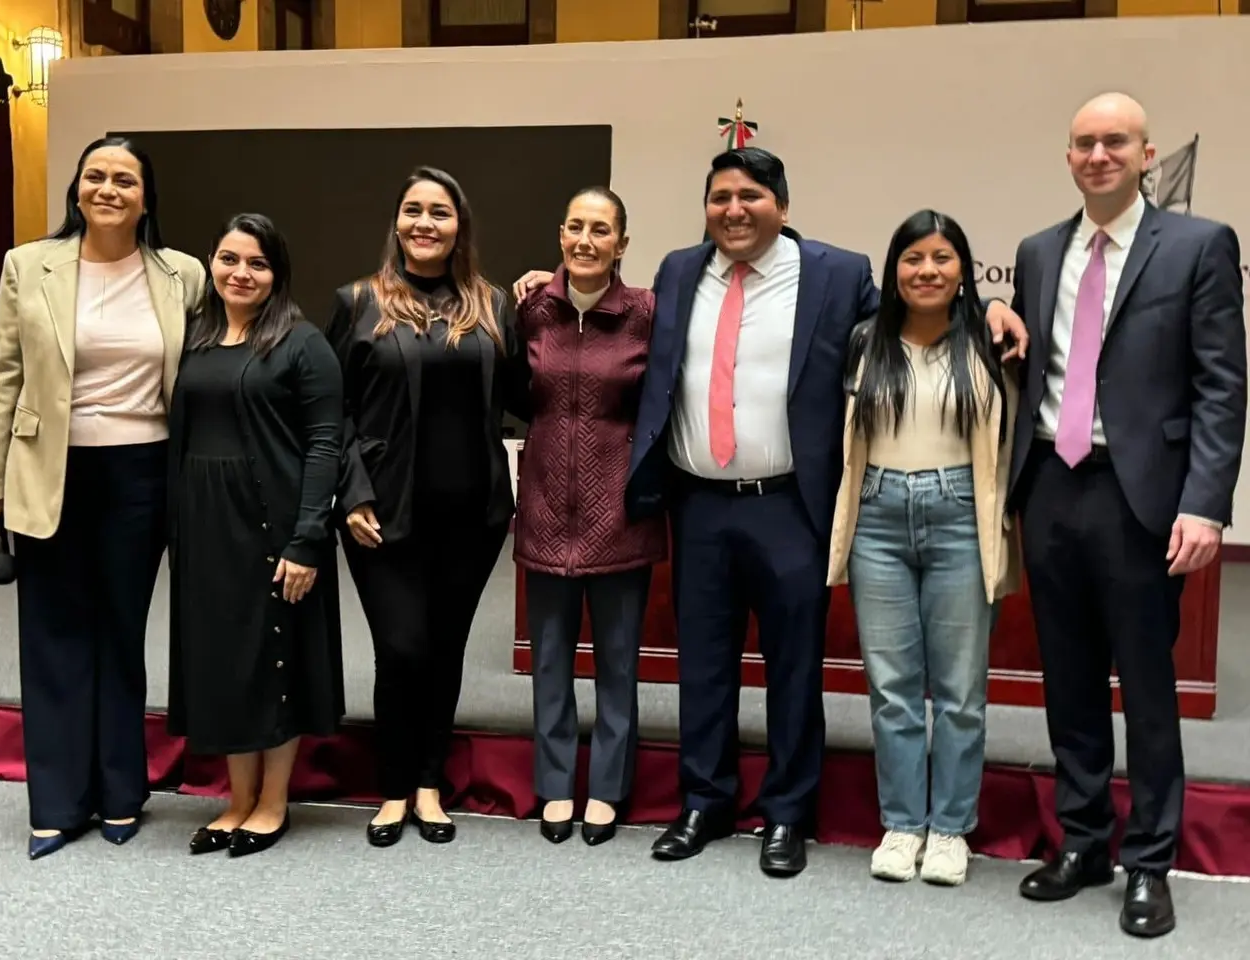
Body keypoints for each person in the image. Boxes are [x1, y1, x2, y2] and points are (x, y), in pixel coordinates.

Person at [514, 147, 1027, 877]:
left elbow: (919, 310)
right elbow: (609, 320)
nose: (733, 209)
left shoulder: (836, 273)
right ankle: (705, 801)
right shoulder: (679, 272)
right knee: (705, 664)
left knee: (793, 668)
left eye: (749, 195)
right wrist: (548, 281)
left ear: (782, 205)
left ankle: (787, 813)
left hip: (790, 504)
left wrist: (993, 306)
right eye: (719, 196)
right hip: (699, 505)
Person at [1007, 92, 1246, 938]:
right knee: (1068, 681)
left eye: (1115, 141)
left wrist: (1206, 505)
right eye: (1083, 143)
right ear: (1067, 158)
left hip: (1141, 496)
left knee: (1146, 689)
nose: (1098, 154)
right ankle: (1084, 842)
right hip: (1051, 486)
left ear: (1147, 155)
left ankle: (1151, 862)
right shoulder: (1038, 252)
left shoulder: (1199, 245)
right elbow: (1034, 368)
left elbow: (1222, 384)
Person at [0, 136, 207, 859]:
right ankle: (57, 800)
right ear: (76, 187)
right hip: (49, 470)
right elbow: (3, 377)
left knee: (119, 632)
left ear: (146, 197)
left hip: (142, 472)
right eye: (95, 176)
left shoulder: (182, 275)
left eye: (125, 179)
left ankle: (119, 790)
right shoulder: (28, 265)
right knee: (52, 636)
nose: (108, 188)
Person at [328, 166, 530, 848]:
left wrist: (551, 298)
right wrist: (350, 490)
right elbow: (333, 413)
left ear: (459, 226)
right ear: (396, 222)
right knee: (401, 647)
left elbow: (529, 394)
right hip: (380, 514)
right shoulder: (358, 302)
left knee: (444, 650)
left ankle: (427, 784)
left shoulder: (493, 306)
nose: (424, 223)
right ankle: (391, 786)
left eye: (439, 212)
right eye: (412, 209)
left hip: (471, 517)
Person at [827, 210, 1020, 887]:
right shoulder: (864, 341)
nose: (927, 270)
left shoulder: (992, 344)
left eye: (942, 258)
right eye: (913, 259)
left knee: (961, 692)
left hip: (960, 518)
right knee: (893, 687)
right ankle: (904, 822)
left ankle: (950, 828)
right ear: (894, 269)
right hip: (877, 519)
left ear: (963, 267)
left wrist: (999, 307)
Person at [166, 213, 346, 858]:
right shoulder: (194, 338)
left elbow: (326, 444)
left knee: (276, 661)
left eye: (257, 263)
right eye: (228, 259)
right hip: (207, 529)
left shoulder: (301, 343)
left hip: (273, 527)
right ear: (211, 265)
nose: (240, 273)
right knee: (222, 662)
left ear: (277, 274)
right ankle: (236, 799)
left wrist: (307, 539)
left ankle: (273, 803)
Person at [511, 187, 667, 846]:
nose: (585, 239)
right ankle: (553, 787)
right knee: (549, 660)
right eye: (575, 226)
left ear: (622, 244)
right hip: (546, 506)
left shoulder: (646, 314)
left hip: (620, 513)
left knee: (617, 663)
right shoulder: (530, 310)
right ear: (560, 234)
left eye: (600, 230)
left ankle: (606, 788)